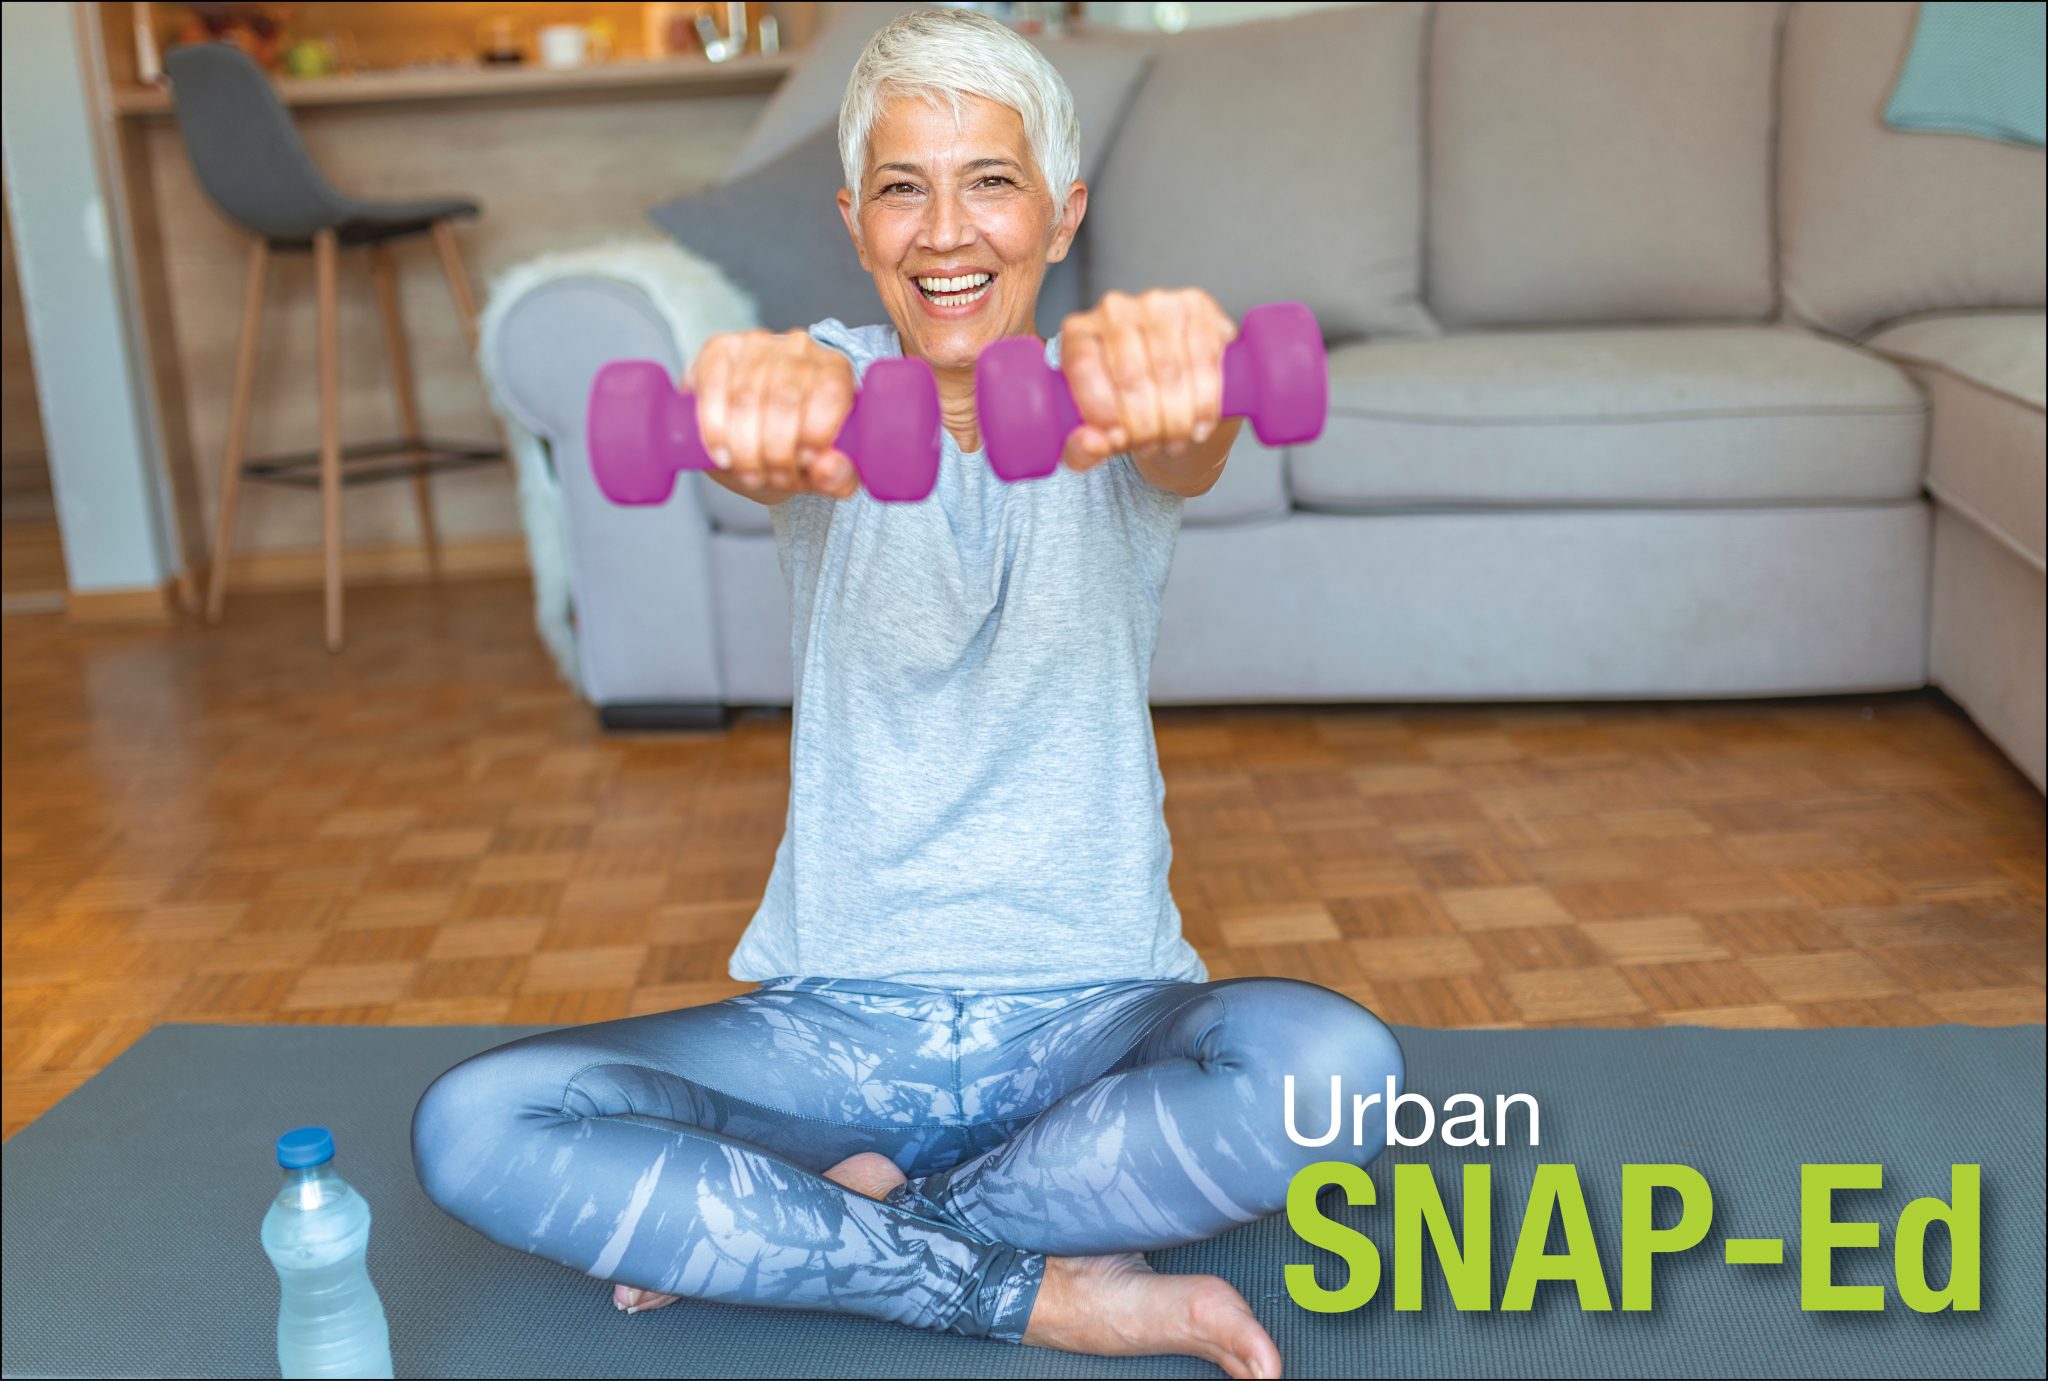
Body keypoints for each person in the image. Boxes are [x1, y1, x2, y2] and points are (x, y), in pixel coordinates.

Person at [411, 11, 1401, 1377]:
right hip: (831, 1036)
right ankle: (1028, 1288)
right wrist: (745, 393)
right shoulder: (822, 393)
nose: (946, 231)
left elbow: (1193, 442)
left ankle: (823, 1231)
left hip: (1090, 1028)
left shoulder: (1118, 398)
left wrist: (1193, 366)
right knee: (474, 1125)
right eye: (901, 188)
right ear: (855, 222)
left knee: (1334, 1074)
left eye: (991, 181)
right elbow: (766, 431)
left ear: (1062, 214)